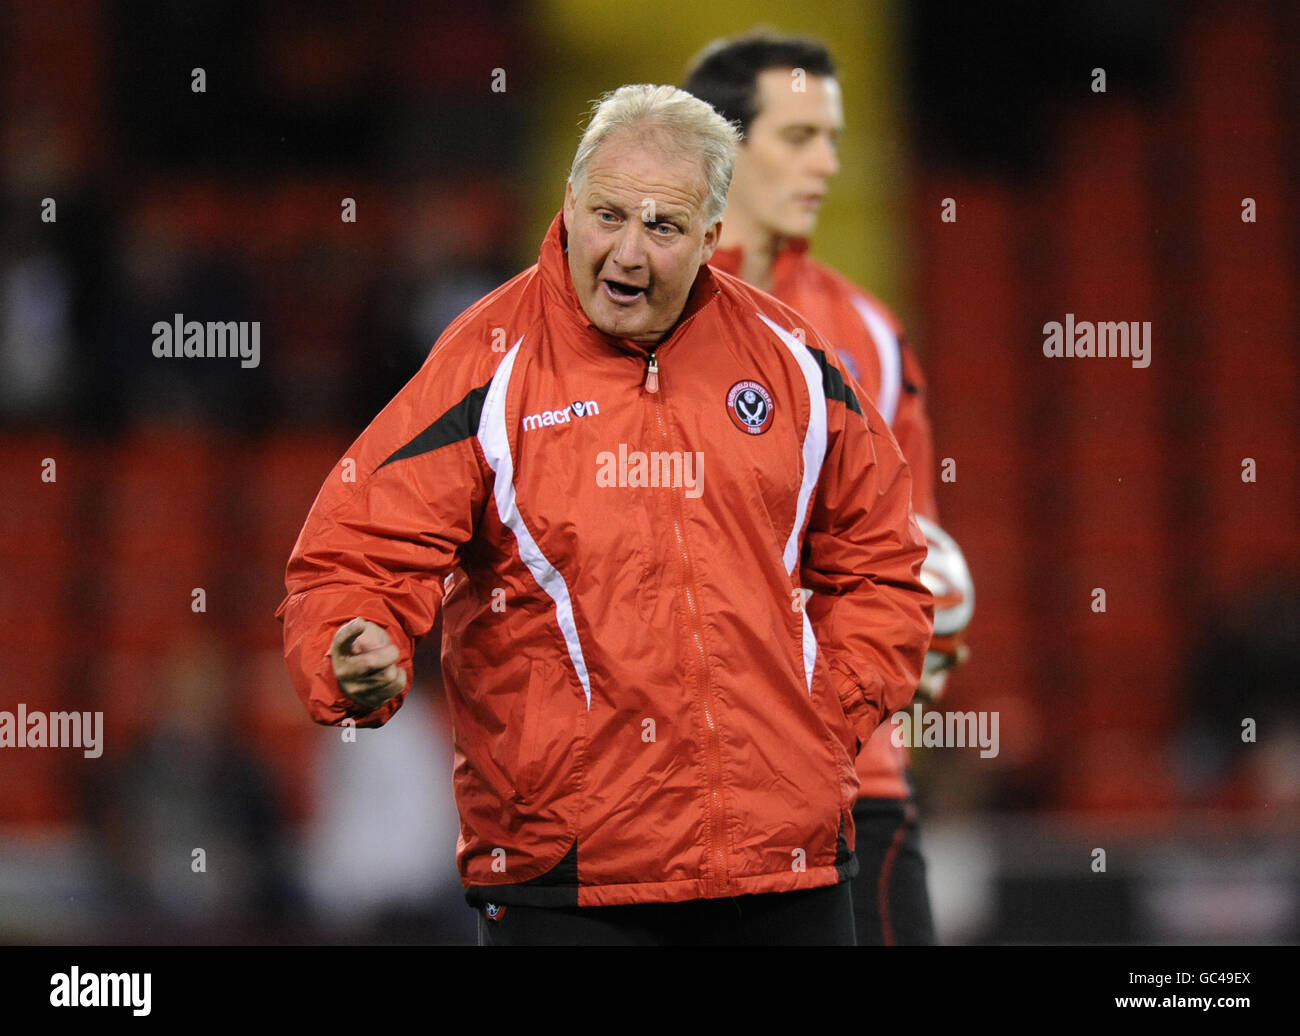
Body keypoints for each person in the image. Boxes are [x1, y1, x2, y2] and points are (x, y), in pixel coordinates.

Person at [277, 83, 933, 946]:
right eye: (608, 215)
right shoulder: (485, 366)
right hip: (571, 884)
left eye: (662, 227)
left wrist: (822, 718)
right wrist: (353, 642)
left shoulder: (797, 365)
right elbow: (353, 552)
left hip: (787, 866)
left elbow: (884, 563)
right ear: (569, 204)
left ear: (709, 238)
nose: (627, 252)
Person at [684, 31, 964, 945]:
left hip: (854, 781)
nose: (829, 163)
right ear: (723, 142)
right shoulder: (639, 314)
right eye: (800, 136)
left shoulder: (870, 337)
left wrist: (923, 631)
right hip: (673, 790)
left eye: (835, 138)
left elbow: (906, 543)